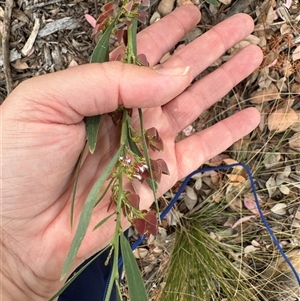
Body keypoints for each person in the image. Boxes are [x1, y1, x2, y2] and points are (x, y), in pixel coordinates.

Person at [0, 4, 263, 301]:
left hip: (48, 273)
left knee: (94, 266)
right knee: (98, 272)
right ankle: (113, 233)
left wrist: (11, 266)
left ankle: (112, 234)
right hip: (54, 275)